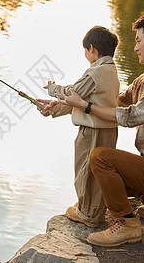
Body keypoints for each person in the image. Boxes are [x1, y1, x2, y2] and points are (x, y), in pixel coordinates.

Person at [57, 13, 144, 247]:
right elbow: (116, 103)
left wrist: (85, 105)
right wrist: (65, 105)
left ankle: (127, 224)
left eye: (139, 41)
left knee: (100, 158)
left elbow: (131, 116)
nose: (135, 48)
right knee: (98, 177)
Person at [38, 26, 120, 228]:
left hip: (92, 132)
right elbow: (80, 102)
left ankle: (88, 214)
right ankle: (93, 210)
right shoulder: (111, 70)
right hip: (107, 130)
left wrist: (53, 89)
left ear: (91, 48)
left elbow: (73, 93)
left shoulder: (96, 72)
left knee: (86, 171)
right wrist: (54, 109)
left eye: (85, 50)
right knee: (98, 172)